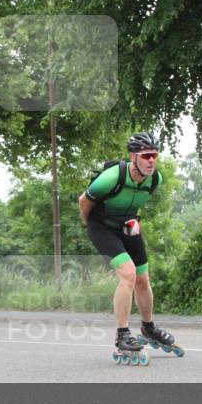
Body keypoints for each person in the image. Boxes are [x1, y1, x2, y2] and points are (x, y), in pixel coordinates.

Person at [78, 132, 178, 363]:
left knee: (143, 278)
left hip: (129, 225)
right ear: (133, 156)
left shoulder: (155, 179)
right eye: (146, 156)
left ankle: (148, 327)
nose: (152, 160)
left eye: (155, 155)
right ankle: (122, 334)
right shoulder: (111, 177)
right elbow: (84, 200)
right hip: (102, 227)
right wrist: (88, 224)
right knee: (128, 274)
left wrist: (129, 220)